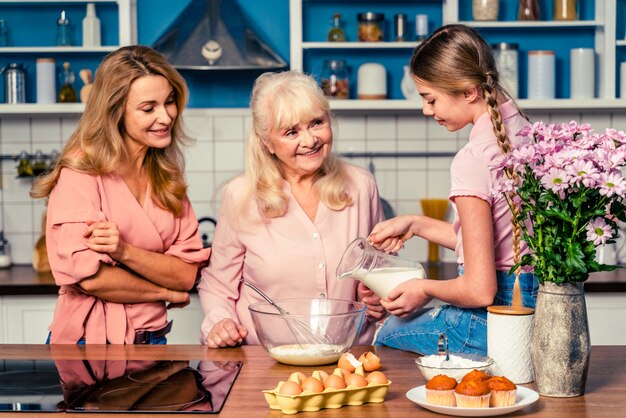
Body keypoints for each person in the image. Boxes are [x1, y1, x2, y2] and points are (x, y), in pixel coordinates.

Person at [368, 24, 538, 356]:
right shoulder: (528, 134)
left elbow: (478, 290)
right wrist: (416, 224)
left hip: (488, 320)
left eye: (430, 98)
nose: (426, 110)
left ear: (469, 91)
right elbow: (493, 245)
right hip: (533, 312)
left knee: (385, 333)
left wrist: (423, 289)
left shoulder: (473, 158)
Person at [30, 45, 210, 344]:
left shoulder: (166, 177)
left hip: (153, 339)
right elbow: (91, 278)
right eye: (148, 108)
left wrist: (124, 252)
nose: (166, 117)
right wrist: (164, 292)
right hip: (88, 343)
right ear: (116, 111)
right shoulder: (81, 172)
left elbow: (186, 275)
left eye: (169, 102)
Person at [197, 71, 385, 347]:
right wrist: (220, 321)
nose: (309, 141)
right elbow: (217, 284)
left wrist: (377, 297)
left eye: (317, 123)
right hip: (265, 362)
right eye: (291, 132)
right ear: (267, 142)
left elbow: (377, 271)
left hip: (349, 360)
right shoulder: (241, 195)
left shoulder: (361, 185)